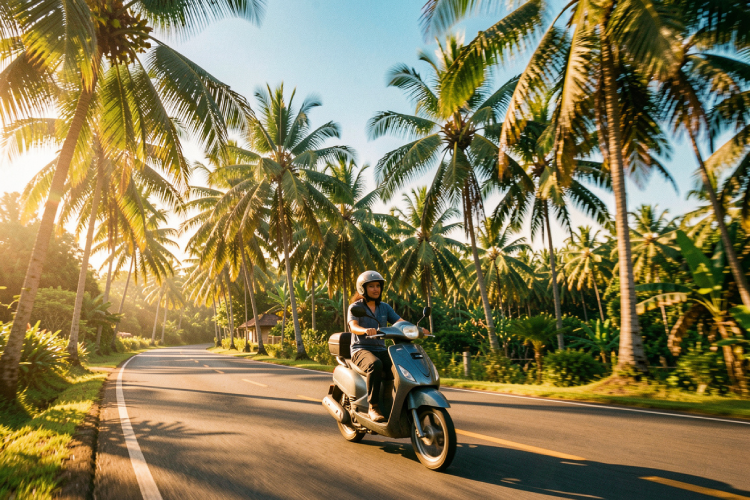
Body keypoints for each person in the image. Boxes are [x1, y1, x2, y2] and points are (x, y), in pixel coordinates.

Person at [348, 270, 429, 422]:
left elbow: (400, 322)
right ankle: (373, 407)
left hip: (381, 349)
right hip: (361, 350)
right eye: (371, 286)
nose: (375, 289)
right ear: (362, 288)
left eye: (378, 285)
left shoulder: (384, 307)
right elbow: (353, 326)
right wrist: (365, 330)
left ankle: (396, 403)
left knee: (403, 365)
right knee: (375, 364)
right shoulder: (355, 307)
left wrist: (417, 329)